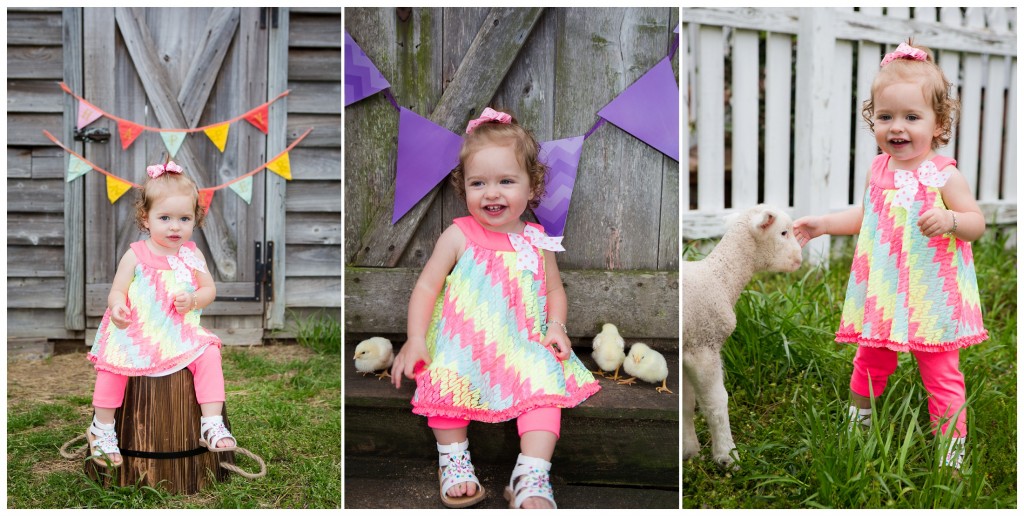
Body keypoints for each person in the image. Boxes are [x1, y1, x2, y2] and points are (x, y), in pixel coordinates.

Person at [390, 108, 601, 508]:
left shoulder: (536, 240)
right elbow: (426, 287)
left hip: (520, 343)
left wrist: (556, 325)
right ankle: (453, 459)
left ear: (532, 186)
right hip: (461, 343)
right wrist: (416, 339)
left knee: (544, 384)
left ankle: (531, 473)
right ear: (463, 187)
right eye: (478, 183)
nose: (491, 193)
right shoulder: (458, 235)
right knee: (443, 377)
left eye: (506, 181)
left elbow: (555, 289)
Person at [793, 41, 987, 473]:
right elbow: (869, 215)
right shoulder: (879, 169)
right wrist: (825, 223)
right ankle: (856, 426)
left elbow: (977, 221)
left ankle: (951, 458)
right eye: (886, 117)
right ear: (873, 120)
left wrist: (951, 220)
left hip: (931, 293)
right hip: (883, 290)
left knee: (941, 374)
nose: (896, 128)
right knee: (870, 359)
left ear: (939, 125)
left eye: (911, 117)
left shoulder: (944, 174)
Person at [86, 161, 236, 468]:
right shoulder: (136, 254)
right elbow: (117, 290)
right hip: (137, 332)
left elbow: (209, 289)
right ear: (146, 218)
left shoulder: (191, 255)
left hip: (178, 332)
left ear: (196, 218)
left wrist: (194, 299)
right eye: (164, 217)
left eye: (184, 218)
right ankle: (101, 429)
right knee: (113, 366)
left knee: (209, 354)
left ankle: (211, 422)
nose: (174, 226)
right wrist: (117, 308)